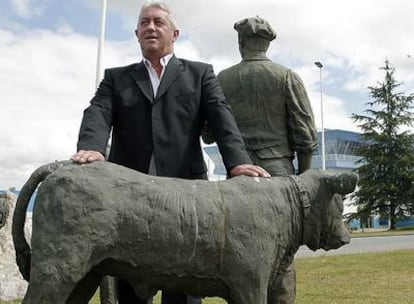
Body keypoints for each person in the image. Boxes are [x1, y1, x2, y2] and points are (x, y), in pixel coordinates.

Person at [71, 2, 270, 304]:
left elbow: (222, 117)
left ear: (174, 33)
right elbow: (97, 112)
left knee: (184, 291)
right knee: (130, 286)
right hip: (130, 202)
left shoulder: (200, 74)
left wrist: (239, 163)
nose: (151, 27)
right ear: (136, 32)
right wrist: (93, 148)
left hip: (186, 204)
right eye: (144, 22)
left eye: (158, 22)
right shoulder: (116, 78)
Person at [212, 16, 317, 304]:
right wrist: (302, 180)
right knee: (282, 257)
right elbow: (306, 138)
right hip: (280, 176)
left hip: (239, 178)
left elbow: (208, 134)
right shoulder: (286, 76)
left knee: (241, 253)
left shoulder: (222, 79)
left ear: (241, 43)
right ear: (267, 43)